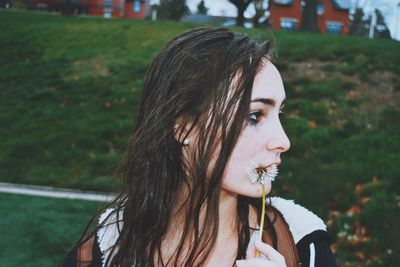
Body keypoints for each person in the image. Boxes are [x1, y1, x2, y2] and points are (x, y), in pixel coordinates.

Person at [62, 27, 337, 267]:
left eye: (280, 114)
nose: (283, 141)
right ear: (184, 128)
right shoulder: (101, 252)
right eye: (254, 116)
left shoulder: (302, 245)